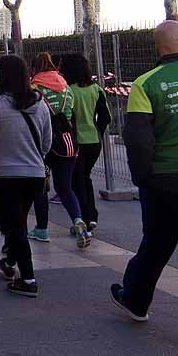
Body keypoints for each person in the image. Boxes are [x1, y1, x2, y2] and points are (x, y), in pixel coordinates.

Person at [113, 21, 178, 322]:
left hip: (164, 181)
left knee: (155, 245)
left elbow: (138, 139)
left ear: (158, 46)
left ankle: (136, 302)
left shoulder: (145, 83)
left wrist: (143, 179)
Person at [0, 55, 52, 298]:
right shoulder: (40, 104)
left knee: (15, 225)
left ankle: (28, 278)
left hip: (3, 174)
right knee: (17, 220)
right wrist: (34, 158)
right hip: (34, 174)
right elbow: (46, 142)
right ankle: (10, 260)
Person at [31, 52, 91, 248]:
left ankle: (41, 229)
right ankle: (78, 221)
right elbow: (70, 112)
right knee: (65, 188)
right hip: (67, 141)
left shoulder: (34, 87)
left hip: (43, 143)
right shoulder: (66, 87)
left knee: (41, 188)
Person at [60, 53, 111, 233]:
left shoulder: (68, 91)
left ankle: (84, 218)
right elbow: (105, 117)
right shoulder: (97, 89)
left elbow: (67, 118)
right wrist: (97, 130)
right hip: (94, 141)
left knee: (77, 181)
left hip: (77, 142)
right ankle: (91, 216)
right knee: (85, 177)